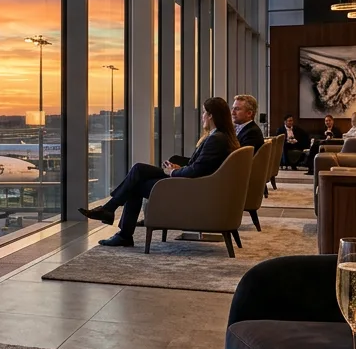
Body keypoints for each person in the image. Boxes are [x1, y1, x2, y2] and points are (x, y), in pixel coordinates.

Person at [78, 97, 239, 247]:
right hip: (195, 184)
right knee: (138, 170)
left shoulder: (216, 139)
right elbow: (201, 167)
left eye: (204, 112)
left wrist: (172, 173)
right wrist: (178, 168)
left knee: (136, 183)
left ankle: (118, 225)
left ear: (211, 116)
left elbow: (196, 171)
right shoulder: (220, 137)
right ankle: (111, 214)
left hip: (191, 188)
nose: (202, 116)